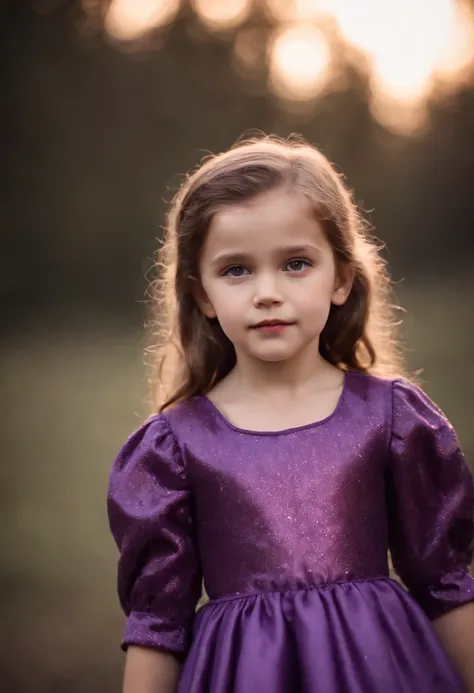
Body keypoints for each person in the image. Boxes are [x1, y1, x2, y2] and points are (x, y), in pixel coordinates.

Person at [107, 136, 474, 693]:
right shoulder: (174, 448)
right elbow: (157, 626)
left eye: (296, 263)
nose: (267, 293)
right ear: (201, 294)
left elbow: (447, 584)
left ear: (342, 278)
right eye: (236, 271)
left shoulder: (392, 418)